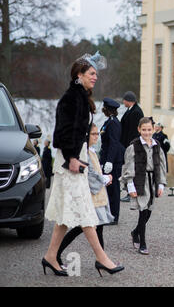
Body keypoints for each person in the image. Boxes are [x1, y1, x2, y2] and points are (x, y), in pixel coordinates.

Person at [43, 51, 123, 277]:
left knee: (65, 216)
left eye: (96, 73)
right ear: (79, 75)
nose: (95, 77)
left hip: (76, 161)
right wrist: (72, 159)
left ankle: (50, 256)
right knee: (86, 213)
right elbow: (62, 133)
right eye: (91, 73)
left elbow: (76, 132)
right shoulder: (72, 97)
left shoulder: (80, 96)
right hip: (71, 163)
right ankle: (102, 259)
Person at [56, 123, 115, 267]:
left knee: (97, 227)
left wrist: (103, 176)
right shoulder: (84, 152)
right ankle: (55, 255)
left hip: (96, 195)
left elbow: (95, 169)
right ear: (87, 135)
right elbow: (88, 173)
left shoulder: (92, 150)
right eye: (94, 134)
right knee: (80, 227)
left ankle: (101, 260)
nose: (97, 136)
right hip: (89, 195)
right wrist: (104, 179)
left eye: (97, 133)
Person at [119, 117, 167, 255]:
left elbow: (162, 165)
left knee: (149, 210)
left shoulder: (157, 145)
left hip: (152, 180)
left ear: (153, 129)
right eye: (144, 130)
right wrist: (130, 185)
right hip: (140, 180)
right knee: (143, 210)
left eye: (149, 129)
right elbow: (128, 166)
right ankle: (143, 242)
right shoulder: (133, 147)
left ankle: (135, 232)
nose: (147, 132)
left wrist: (161, 183)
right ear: (139, 129)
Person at [100, 98, 125, 225]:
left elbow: (114, 143)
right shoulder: (109, 121)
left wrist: (109, 161)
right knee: (109, 188)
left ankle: (114, 216)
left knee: (114, 188)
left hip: (114, 160)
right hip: (108, 158)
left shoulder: (113, 123)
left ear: (107, 109)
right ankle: (109, 214)